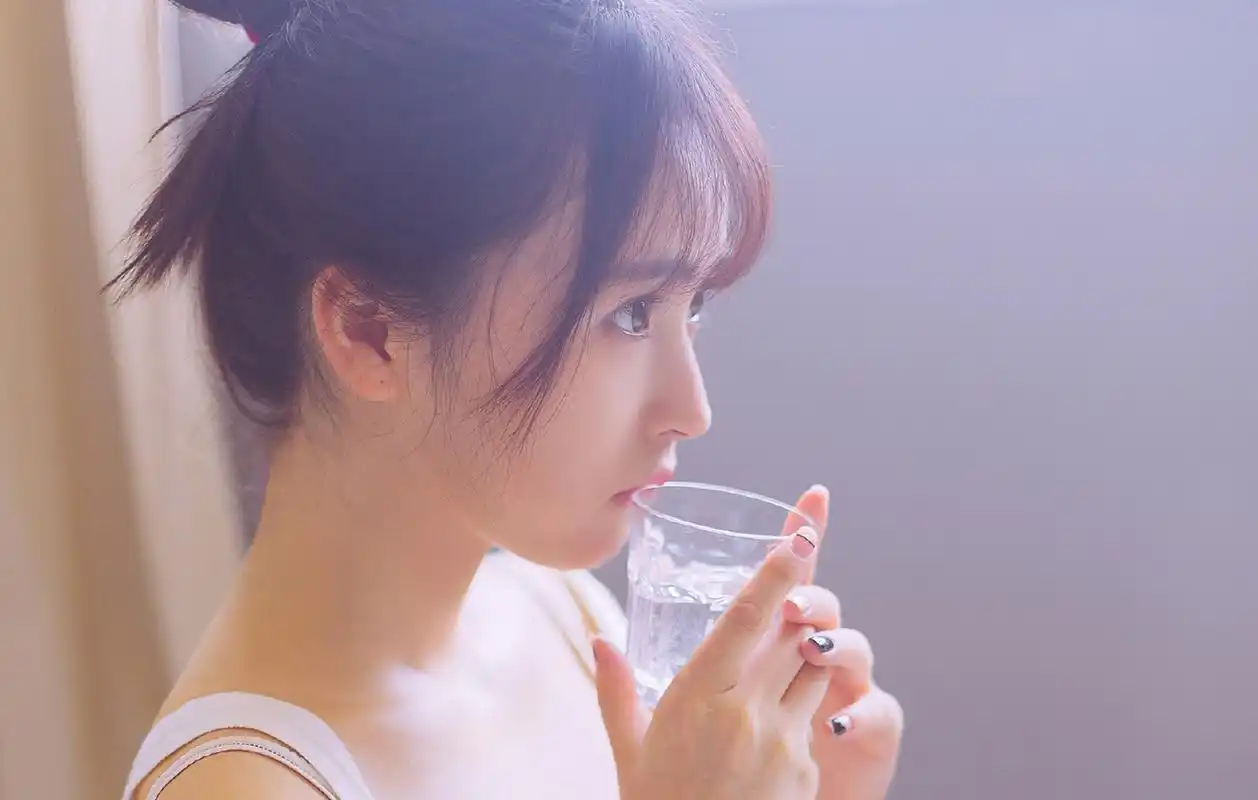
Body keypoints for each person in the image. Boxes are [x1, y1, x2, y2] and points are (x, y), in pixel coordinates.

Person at [114, 0, 904, 798]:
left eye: (691, 306)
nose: (691, 410)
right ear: (370, 332)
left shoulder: (567, 624)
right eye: (632, 313)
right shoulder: (240, 784)